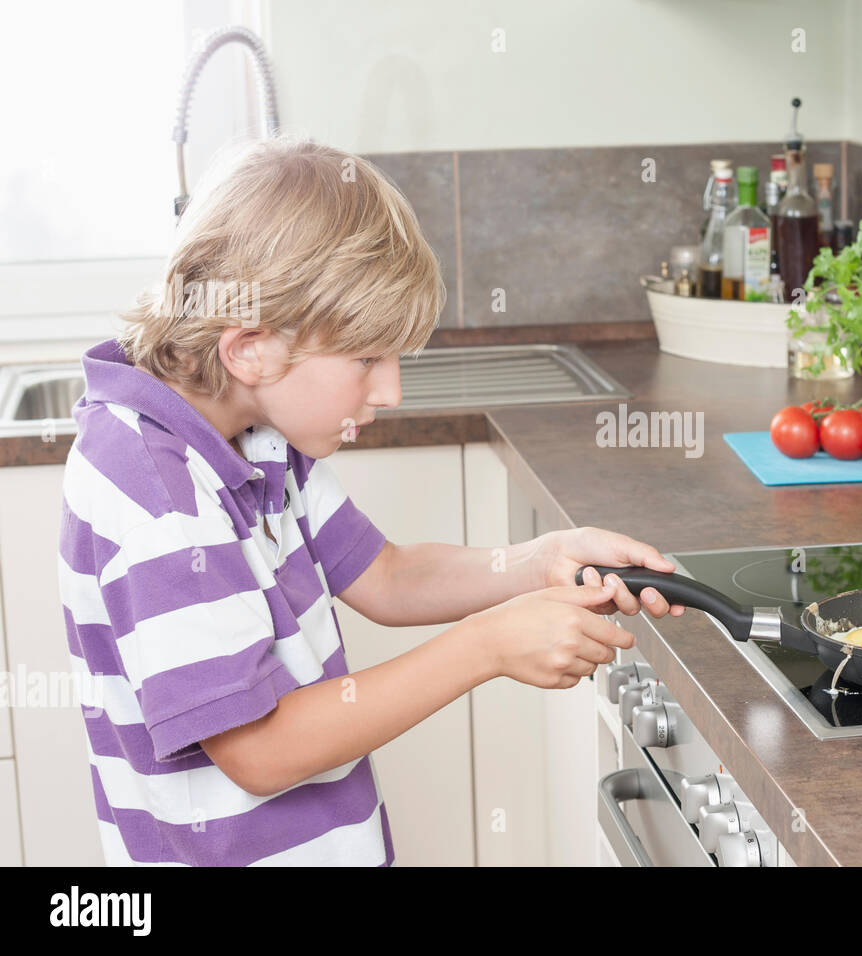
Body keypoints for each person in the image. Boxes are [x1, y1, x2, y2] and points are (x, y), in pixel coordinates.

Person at [56, 135, 684, 866]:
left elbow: (385, 575)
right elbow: (259, 748)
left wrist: (542, 560)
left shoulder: (259, 433)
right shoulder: (155, 489)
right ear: (250, 347)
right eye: (365, 359)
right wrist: (488, 645)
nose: (389, 392)